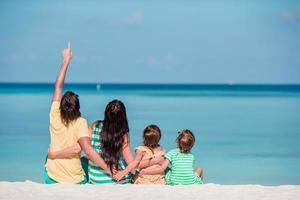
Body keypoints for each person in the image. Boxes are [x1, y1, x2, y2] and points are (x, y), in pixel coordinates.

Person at [49, 99, 164, 184]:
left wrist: (55, 153)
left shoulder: (94, 126)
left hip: (96, 180)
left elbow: (84, 149)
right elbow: (131, 162)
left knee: (84, 159)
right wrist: (154, 161)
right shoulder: (123, 134)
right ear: (123, 117)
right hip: (120, 180)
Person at [45, 42, 110, 184]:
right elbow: (87, 150)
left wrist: (66, 60)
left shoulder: (54, 113)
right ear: (78, 107)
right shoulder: (81, 122)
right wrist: (108, 169)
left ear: (61, 105)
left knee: (82, 159)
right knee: (86, 160)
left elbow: (58, 87)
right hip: (73, 180)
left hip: (51, 177)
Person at [139, 129, 204, 185]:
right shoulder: (191, 156)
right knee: (199, 169)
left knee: (167, 168)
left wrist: (146, 172)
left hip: (174, 181)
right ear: (192, 144)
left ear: (178, 141)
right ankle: (200, 184)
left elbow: (161, 169)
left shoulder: (171, 153)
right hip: (190, 181)